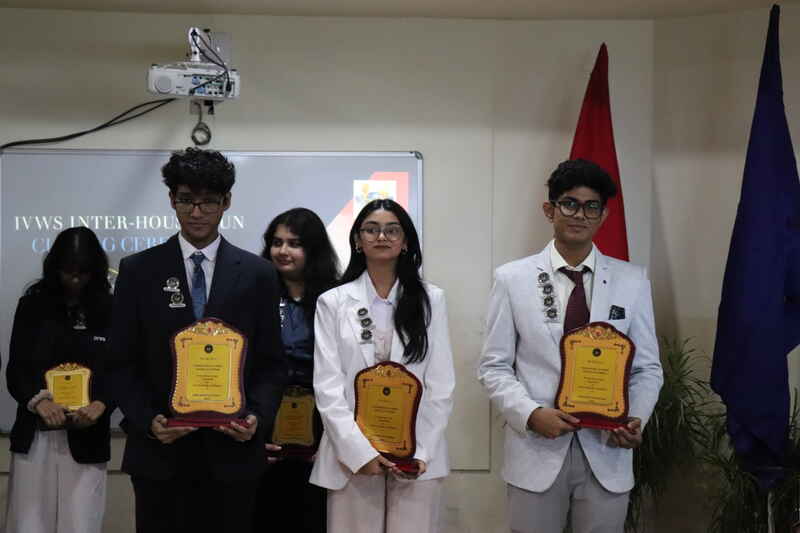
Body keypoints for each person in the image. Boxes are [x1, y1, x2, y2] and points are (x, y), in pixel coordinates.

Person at [477, 159, 663, 533]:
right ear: (550, 210)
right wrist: (531, 414)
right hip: (536, 449)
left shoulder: (632, 280)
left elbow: (647, 368)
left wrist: (634, 418)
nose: (580, 215)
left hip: (607, 449)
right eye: (569, 204)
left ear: (603, 215)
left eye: (591, 206)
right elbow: (493, 366)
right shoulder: (512, 278)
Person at [107, 148, 288, 533]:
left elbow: (272, 364)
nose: (196, 212)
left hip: (233, 453)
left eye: (208, 201)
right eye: (186, 200)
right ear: (171, 199)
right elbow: (119, 362)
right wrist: (148, 420)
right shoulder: (138, 270)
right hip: (160, 452)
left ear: (226, 202)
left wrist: (256, 417)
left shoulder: (258, 273)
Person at [310, 199, 455, 533]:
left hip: (416, 454)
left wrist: (419, 452)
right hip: (351, 458)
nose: (381, 237)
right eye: (371, 230)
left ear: (405, 242)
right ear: (357, 240)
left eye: (392, 230)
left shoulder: (431, 300)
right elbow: (327, 388)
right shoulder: (332, 302)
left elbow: (441, 384)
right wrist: (358, 452)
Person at [4, 226, 114, 533]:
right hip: (35, 435)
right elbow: (17, 369)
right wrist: (38, 400)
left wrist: (102, 403)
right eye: (68, 272)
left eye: (83, 273)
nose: (75, 280)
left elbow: (119, 370)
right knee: (28, 524)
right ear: (54, 268)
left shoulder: (110, 309)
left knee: (80, 524)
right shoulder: (32, 306)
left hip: (87, 435)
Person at [254, 207, 339, 533]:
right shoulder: (253, 292)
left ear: (313, 249)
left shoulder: (337, 298)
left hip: (321, 428)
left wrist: (334, 439)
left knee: (313, 516)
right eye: (277, 242)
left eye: (294, 243)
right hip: (265, 423)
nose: (283, 251)